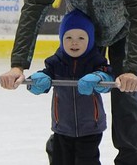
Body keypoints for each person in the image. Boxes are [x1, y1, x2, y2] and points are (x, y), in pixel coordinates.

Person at [0, 0, 137, 164]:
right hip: (80, 34)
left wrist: (131, 70)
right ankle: (62, 154)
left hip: (123, 31)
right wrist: (18, 64)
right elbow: (35, 5)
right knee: (71, 95)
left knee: (126, 101)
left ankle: (132, 160)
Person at [27, 9, 113, 165]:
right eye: (68, 37)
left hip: (90, 127)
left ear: (90, 40)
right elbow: (46, 74)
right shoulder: (55, 62)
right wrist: (38, 81)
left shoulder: (96, 61)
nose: (74, 42)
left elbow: (108, 78)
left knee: (87, 161)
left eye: (81, 37)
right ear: (61, 39)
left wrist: (98, 78)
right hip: (62, 127)